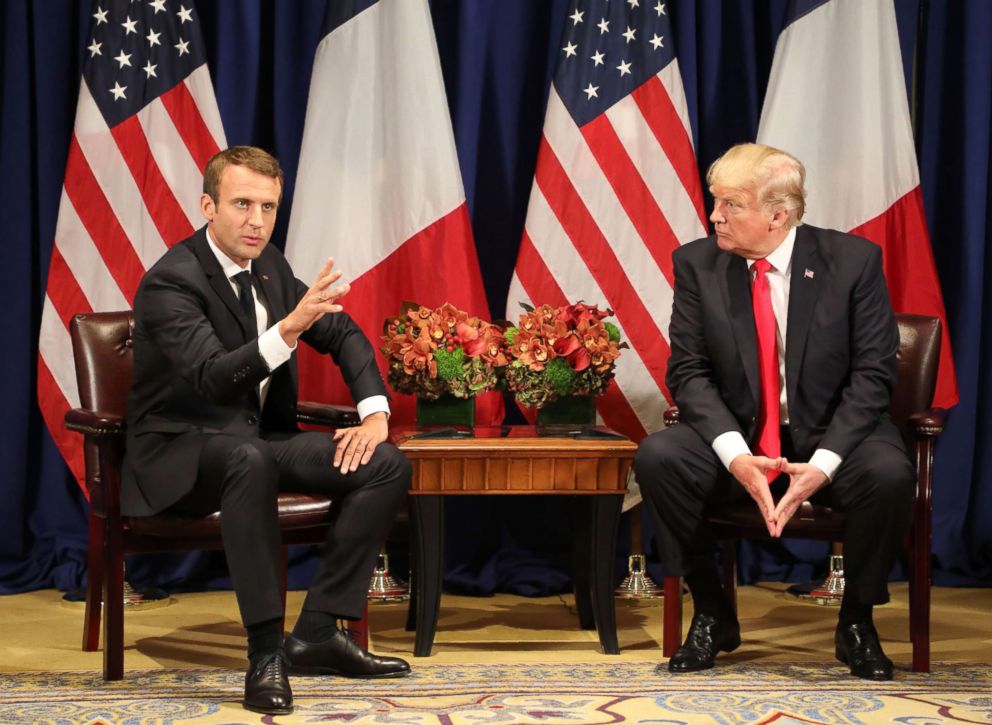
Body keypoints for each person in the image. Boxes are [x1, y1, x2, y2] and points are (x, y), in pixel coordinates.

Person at [121, 146, 412, 715]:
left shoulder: (271, 266)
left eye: (269, 207)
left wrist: (375, 412)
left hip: (255, 443)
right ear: (208, 206)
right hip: (180, 452)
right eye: (242, 204)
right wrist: (288, 329)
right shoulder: (170, 283)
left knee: (385, 463)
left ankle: (319, 631)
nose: (257, 221)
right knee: (246, 461)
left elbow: (345, 332)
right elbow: (213, 379)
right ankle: (265, 653)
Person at [635, 143, 914, 680]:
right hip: (743, 434)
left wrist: (826, 462)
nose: (715, 215)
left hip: (834, 434)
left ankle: (857, 619)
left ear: (778, 215)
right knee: (660, 456)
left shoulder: (853, 263)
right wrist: (737, 457)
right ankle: (713, 611)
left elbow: (874, 375)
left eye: (731, 205)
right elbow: (688, 373)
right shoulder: (697, 263)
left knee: (888, 471)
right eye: (716, 202)